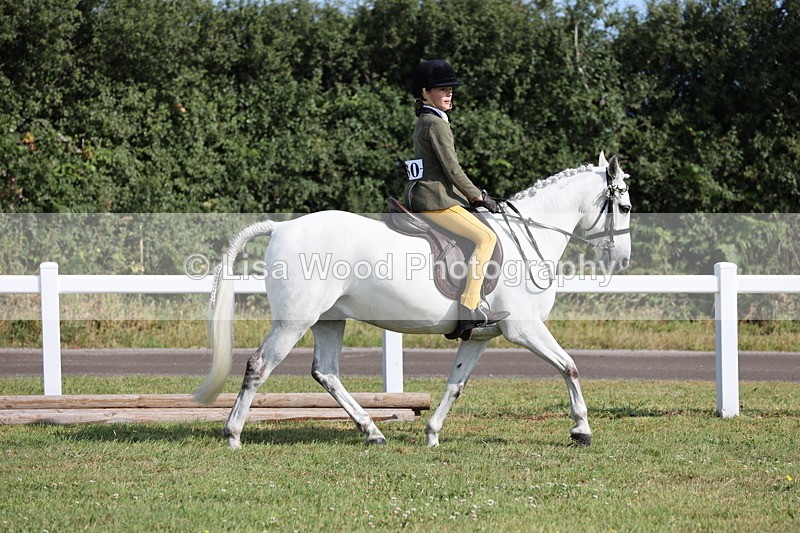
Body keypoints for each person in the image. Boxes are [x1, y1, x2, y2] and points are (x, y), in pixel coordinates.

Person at [404, 59, 510, 339]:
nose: (449, 93)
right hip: (436, 201)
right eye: (442, 89)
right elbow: (452, 170)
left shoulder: (425, 120)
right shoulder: (436, 124)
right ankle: (469, 309)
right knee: (486, 238)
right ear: (425, 93)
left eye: (450, 88)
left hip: (424, 195)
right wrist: (479, 196)